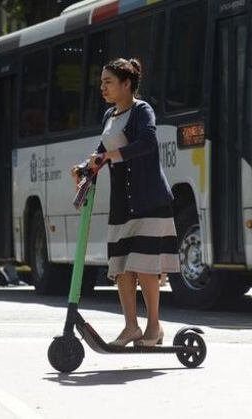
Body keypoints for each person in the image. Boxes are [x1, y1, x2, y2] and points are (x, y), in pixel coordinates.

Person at [72, 58, 179, 347]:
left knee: (145, 265)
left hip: (149, 199)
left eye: (108, 82)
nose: (102, 87)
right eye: (102, 82)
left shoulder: (142, 111)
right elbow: (101, 150)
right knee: (121, 267)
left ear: (126, 84)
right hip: (122, 203)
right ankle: (131, 327)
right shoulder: (110, 115)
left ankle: (154, 327)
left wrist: (109, 157)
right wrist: (84, 167)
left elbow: (147, 143)